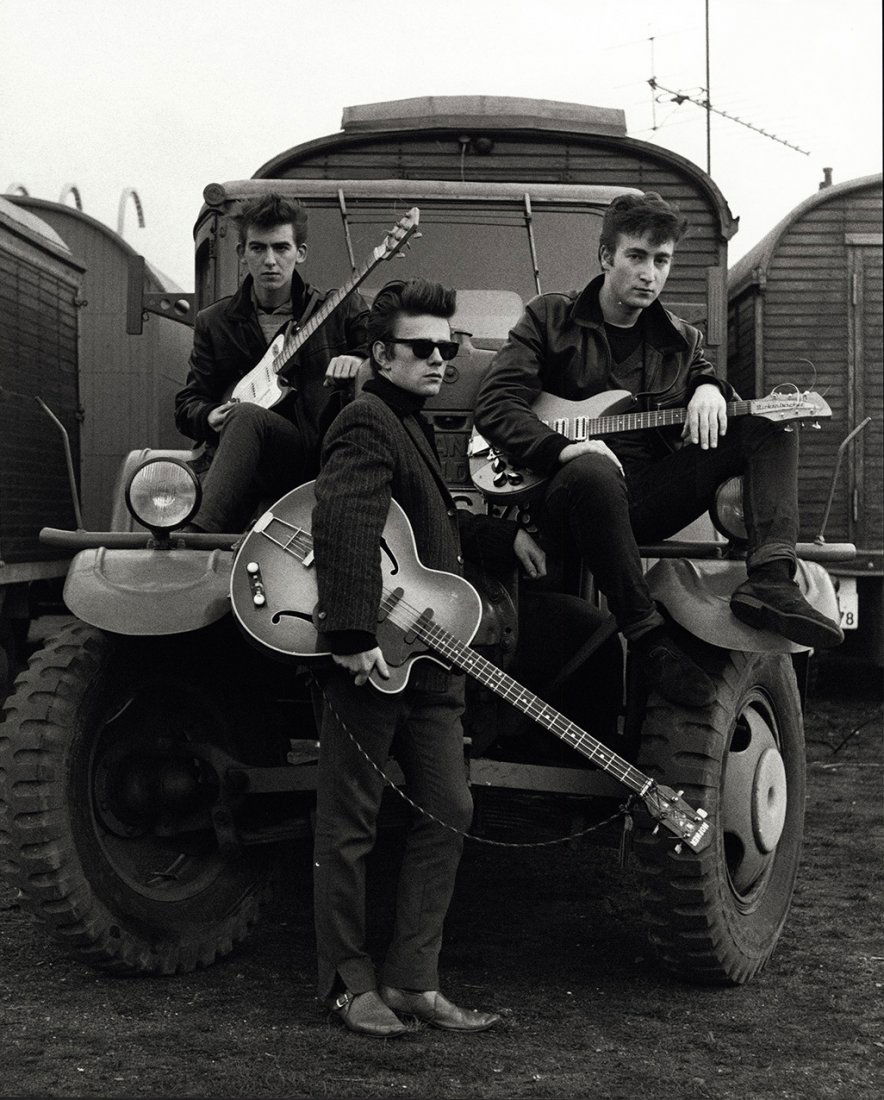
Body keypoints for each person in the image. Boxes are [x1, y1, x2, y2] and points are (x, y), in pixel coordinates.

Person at [473, 191, 842, 708]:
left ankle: (772, 583)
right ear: (607, 258)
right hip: (557, 501)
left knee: (767, 425)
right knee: (595, 471)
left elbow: (713, 391)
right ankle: (647, 637)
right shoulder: (549, 318)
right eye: (637, 257)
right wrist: (560, 450)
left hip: (642, 498)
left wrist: (712, 388)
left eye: (662, 260)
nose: (650, 273)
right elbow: (496, 403)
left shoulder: (681, 341)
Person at [310, 279, 545, 1038]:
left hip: (429, 656)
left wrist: (497, 538)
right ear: (380, 354)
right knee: (349, 823)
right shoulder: (367, 420)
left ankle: (413, 980)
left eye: (451, 346)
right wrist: (349, 639)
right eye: (423, 347)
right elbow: (344, 518)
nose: (441, 358)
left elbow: (420, 536)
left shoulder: (411, 422)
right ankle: (347, 984)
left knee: (450, 806)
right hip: (375, 654)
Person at [174, 193, 368, 532]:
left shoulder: (341, 309)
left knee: (248, 415)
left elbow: (384, 351)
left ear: (300, 253)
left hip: (312, 457)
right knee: (244, 416)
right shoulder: (213, 322)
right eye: (258, 248)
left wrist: (357, 360)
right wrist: (208, 415)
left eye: (281, 248)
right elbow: (187, 404)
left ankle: (196, 533)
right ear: (242, 253)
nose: (270, 260)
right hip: (240, 464)